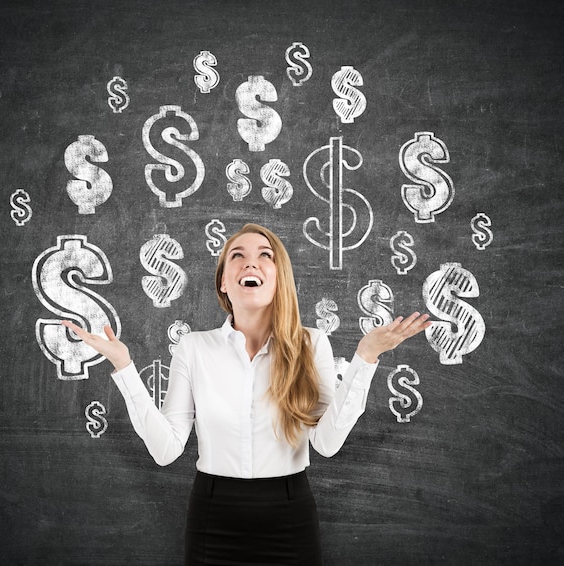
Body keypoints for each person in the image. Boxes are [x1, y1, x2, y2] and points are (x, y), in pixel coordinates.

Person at [63, 223, 431, 565]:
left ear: (278, 278)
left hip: (290, 515)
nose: (250, 262)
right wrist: (124, 366)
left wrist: (365, 358)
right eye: (237, 255)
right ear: (224, 282)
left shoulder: (311, 344)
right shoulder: (193, 348)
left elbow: (327, 443)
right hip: (213, 515)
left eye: (264, 255)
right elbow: (165, 450)